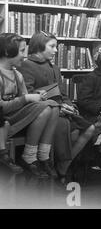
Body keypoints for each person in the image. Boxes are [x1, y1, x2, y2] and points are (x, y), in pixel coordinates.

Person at [18, 32, 96, 184]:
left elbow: (63, 93)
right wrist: (57, 105)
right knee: (71, 132)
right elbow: (26, 94)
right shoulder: (26, 65)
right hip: (42, 112)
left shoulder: (55, 67)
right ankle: (54, 166)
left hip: (60, 109)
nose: (55, 50)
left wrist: (68, 104)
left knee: (90, 129)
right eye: (52, 46)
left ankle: (63, 166)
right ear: (40, 47)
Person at [0, 33, 60, 178]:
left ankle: (43, 156)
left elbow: (25, 100)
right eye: (21, 51)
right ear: (8, 52)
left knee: (53, 106)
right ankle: (29, 156)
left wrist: (37, 97)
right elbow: (1, 107)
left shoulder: (17, 75)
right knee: (46, 107)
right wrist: (27, 98)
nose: (24, 55)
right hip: (5, 120)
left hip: (16, 115)